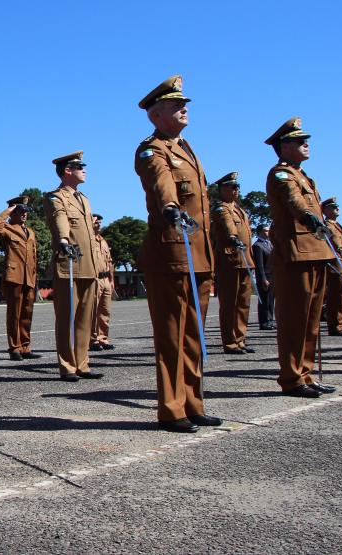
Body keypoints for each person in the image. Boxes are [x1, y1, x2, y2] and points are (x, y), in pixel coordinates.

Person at [135, 76, 221, 433]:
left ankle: (193, 402)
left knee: (194, 335)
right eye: (175, 105)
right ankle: (172, 408)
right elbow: (161, 182)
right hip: (171, 252)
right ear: (156, 115)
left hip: (199, 253)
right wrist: (170, 206)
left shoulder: (187, 148)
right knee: (172, 335)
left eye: (183, 104)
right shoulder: (151, 150)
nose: (184, 108)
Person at [264, 117, 334, 398]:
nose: (306, 144)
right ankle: (292, 378)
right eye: (299, 141)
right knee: (295, 318)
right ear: (284, 146)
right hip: (296, 253)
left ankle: (306, 373)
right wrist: (308, 216)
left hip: (315, 251)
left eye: (306, 141)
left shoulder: (304, 175)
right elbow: (294, 201)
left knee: (312, 319)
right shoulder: (281, 174)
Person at [43, 151, 103, 382]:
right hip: (69, 263)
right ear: (67, 171)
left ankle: (82, 364)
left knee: (86, 318)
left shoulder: (84, 199)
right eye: (80, 167)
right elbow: (59, 220)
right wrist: (64, 241)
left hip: (88, 264)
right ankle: (67, 366)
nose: (84, 170)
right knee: (67, 317)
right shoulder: (56, 197)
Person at [210, 172, 256, 354]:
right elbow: (228, 225)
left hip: (245, 261)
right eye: (232, 186)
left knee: (243, 303)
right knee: (229, 303)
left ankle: (240, 339)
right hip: (230, 260)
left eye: (238, 187)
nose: (237, 190)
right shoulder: (221, 208)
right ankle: (230, 342)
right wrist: (233, 237)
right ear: (222, 189)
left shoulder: (240, 209)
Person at [0, 196, 40, 360]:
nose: (24, 214)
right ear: (13, 212)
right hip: (14, 276)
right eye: (20, 210)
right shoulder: (7, 228)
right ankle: (14, 348)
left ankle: (26, 346)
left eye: (25, 211)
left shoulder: (31, 232)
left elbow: (34, 256)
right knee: (14, 314)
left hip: (29, 277)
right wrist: (9, 210)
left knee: (27, 312)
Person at [321, 198, 342, 336]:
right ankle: (335, 326)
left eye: (337, 207)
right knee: (335, 297)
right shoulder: (325, 225)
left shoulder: (337, 225)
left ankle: (341, 324)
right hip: (334, 264)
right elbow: (322, 242)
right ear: (325, 210)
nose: (337, 209)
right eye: (333, 207)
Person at [90, 214, 116, 351]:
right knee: (93, 311)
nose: (98, 224)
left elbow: (110, 262)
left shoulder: (103, 241)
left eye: (100, 222)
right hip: (95, 278)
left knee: (105, 311)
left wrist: (112, 280)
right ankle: (93, 340)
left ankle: (103, 338)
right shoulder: (89, 240)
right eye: (95, 222)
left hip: (106, 279)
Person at [251, 224, 275, 330]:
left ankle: (270, 320)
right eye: (266, 231)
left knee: (271, 300)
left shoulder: (270, 244)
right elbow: (259, 265)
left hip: (272, 276)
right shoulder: (257, 246)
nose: (268, 232)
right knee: (264, 300)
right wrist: (263, 279)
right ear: (260, 232)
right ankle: (264, 322)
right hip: (264, 276)